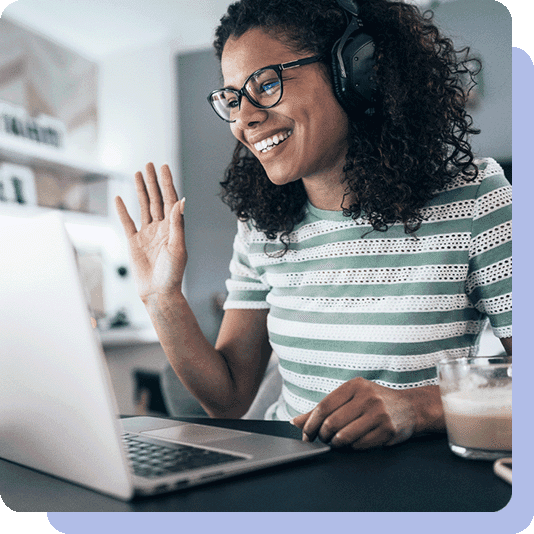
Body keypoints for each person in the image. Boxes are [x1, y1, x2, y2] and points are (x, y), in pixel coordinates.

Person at [115, 0, 512, 450]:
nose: (244, 118)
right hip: (288, 473)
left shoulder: (477, 199)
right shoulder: (261, 227)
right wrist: (161, 297)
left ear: (356, 73)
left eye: (266, 84)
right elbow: (227, 400)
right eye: (232, 98)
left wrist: (421, 406)